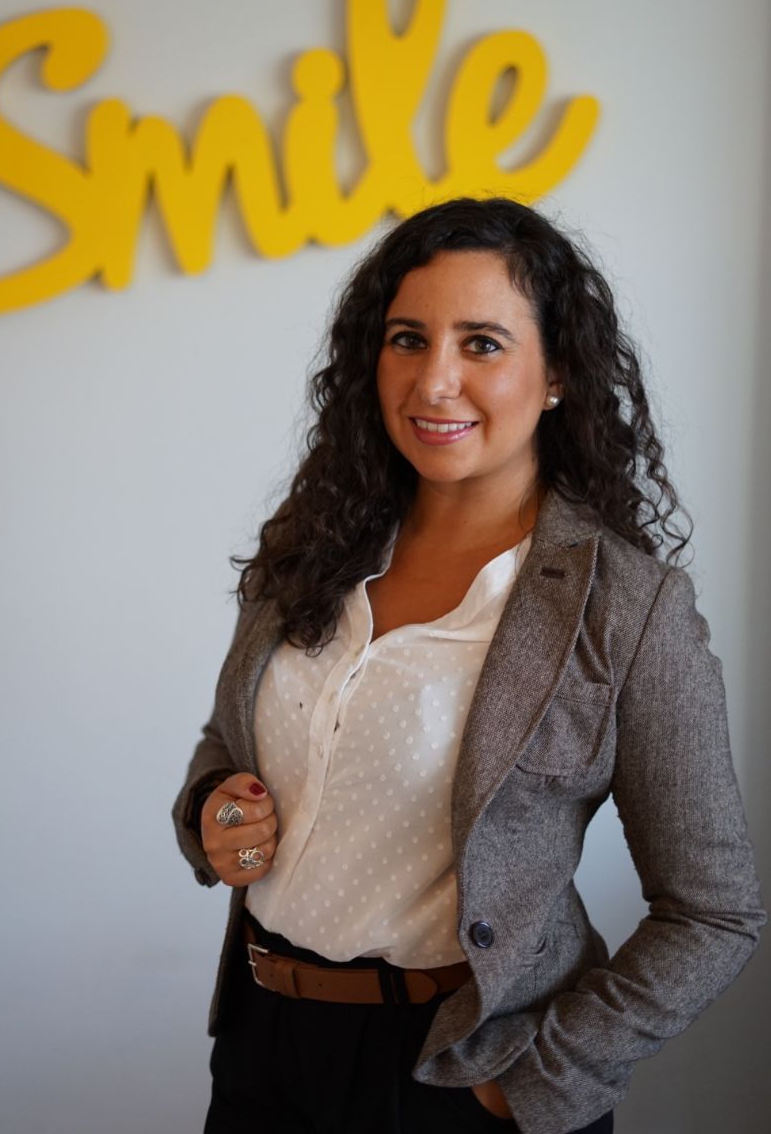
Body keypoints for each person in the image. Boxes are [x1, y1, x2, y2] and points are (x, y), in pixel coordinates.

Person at [172, 196, 765, 1134]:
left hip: (459, 1068)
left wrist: (534, 1078)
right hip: (261, 1040)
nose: (432, 381)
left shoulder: (624, 607)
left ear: (557, 373)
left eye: (481, 343)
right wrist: (213, 810)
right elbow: (228, 738)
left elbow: (712, 911)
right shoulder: (312, 544)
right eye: (407, 339)